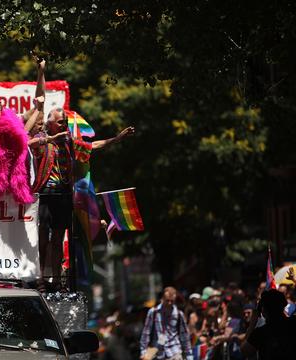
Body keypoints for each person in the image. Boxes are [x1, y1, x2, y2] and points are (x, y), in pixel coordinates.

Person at [33, 107, 135, 288]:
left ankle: (56, 279)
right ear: (50, 123)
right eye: (60, 122)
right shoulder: (43, 140)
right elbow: (28, 143)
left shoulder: (69, 143)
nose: (64, 125)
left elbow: (93, 145)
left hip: (63, 195)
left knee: (57, 238)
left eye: (65, 122)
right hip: (46, 194)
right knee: (43, 237)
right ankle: (42, 277)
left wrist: (117, 139)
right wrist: (51, 139)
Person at [139, 287, 193, 360]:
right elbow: (146, 333)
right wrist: (143, 351)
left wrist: (189, 355)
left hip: (175, 352)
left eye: (172, 301)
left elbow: (184, 336)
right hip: (158, 353)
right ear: (162, 299)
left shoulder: (179, 314)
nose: (169, 303)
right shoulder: (153, 312)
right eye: (167, 300)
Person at [242, 289, 296, 359]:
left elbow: (245, 350)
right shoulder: (293, 323)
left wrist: (252, 322)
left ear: (263, 310)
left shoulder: (260, 333)